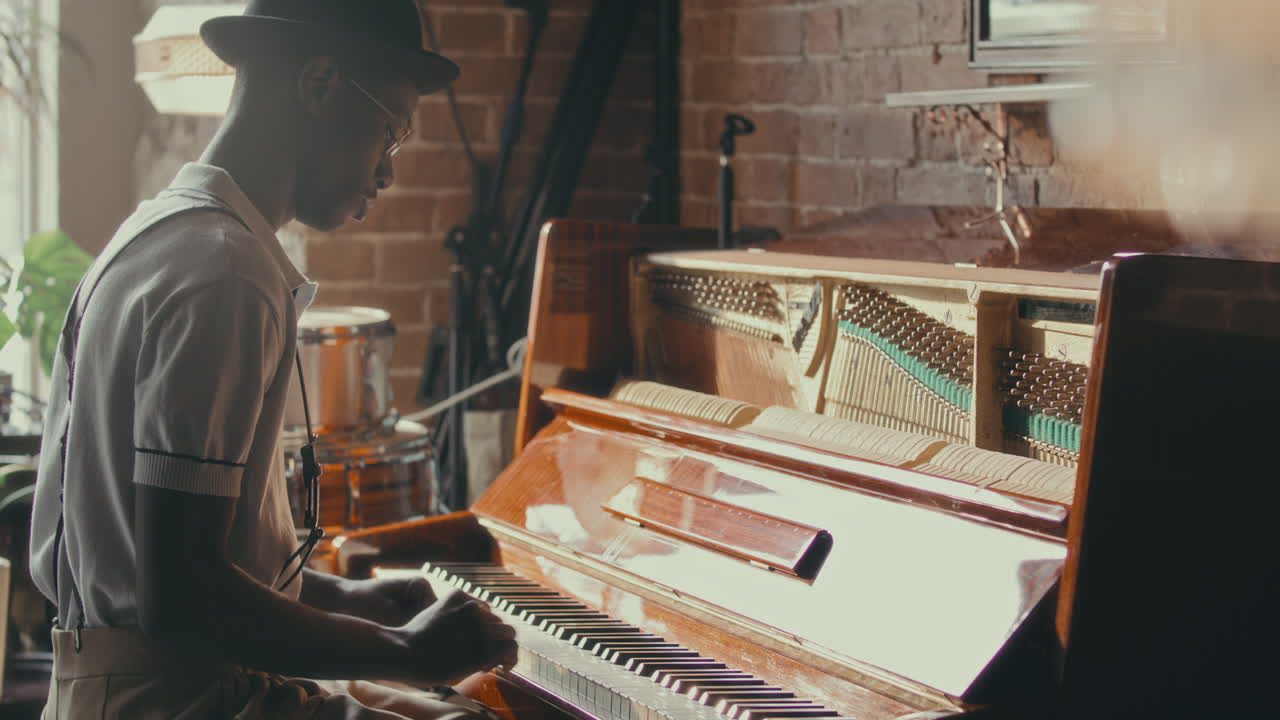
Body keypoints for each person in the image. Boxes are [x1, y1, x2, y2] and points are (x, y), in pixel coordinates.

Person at [27, 1, 518, 717]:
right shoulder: (224, 271)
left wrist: (352, 599)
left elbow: (193, 560)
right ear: (319, 84)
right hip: (177, 698)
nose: (387, 172)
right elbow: (184, 600)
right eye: (390, 130)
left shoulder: (163, 230)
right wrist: (411, 653)